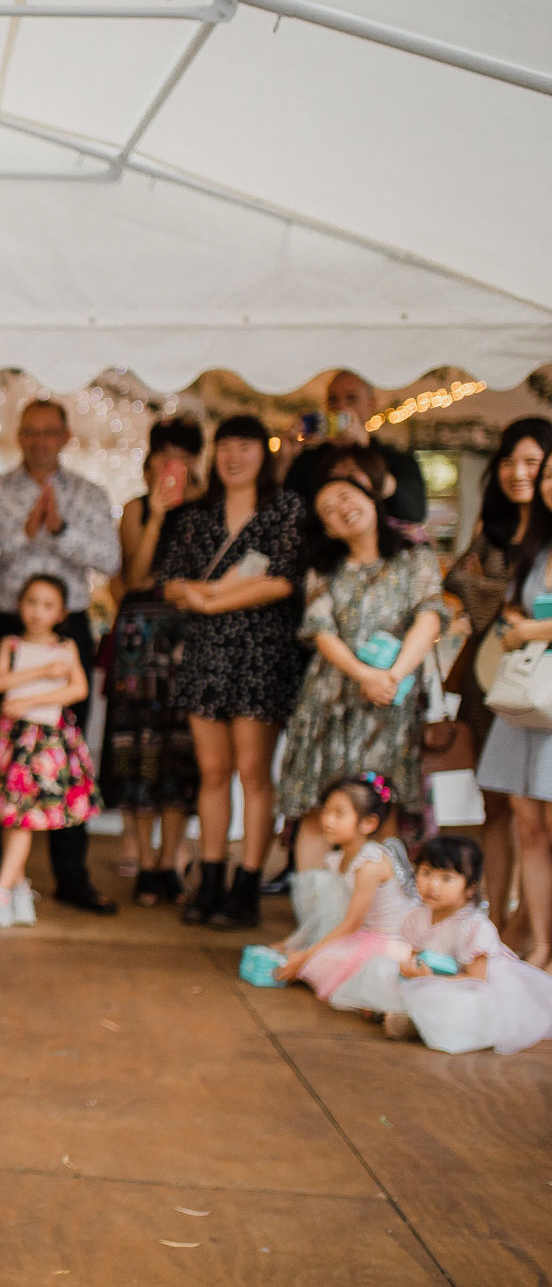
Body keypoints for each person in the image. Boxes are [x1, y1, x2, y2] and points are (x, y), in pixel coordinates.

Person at [156, 414, 308, 929]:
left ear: (262, 453)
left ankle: (247, 883)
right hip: (207, 655)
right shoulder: (198, 514)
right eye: (225, 446)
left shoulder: (285, 508)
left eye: (245, 445)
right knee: (213, 772)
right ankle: (212, 876)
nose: (234, 456)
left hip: (261, 654)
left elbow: (285, 581)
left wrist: (213, 597)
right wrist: (194, 595)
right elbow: (171, 582)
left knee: (252, 772)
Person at [0, 398, 121, 913]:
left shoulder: (88, 494)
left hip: (67, 627)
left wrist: (60, 530)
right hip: (6, 625)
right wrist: (25, 532)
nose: (39, 440)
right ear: (19, 434)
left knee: (64, 750)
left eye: (48, 432)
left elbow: (110, 558)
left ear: (64, 436)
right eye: (30, 431)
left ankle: (72, 875)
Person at [275, 477, 446, 888]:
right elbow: (320, 630)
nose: (340, 510)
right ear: (327, 528)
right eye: (328, 510)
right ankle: (318, 920)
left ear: (372, 498)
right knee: (322, 809)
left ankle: (373, 917)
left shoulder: (415, 559)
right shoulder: (325, 568)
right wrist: (364, 674)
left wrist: (394, 675)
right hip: (330, 702)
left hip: (391, 703)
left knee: (378, 810)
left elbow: (431, 614)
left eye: (345, 497)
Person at [446, 417, 552, 955]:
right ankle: (504, 919)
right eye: (511, 461)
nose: (520, 473)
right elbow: (459, 580)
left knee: (540, 815)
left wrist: (524, 621)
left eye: (533, 463)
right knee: (505, 809)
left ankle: (534, 928)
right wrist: (504, 608)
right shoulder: (502, 529)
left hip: (538, 680)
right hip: (499, 682)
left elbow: (482, 590)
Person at [0, 574, 102, 932]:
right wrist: (40, 673)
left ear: (61, 612)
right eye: (32, 603)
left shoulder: (67, 648)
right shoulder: (10, 644)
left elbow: (78, 690)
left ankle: (1, 892)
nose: (38, 612)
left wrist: (29, 699)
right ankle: (18, 889)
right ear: (20, 606)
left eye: (47, 605)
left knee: (23, 815)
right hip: (11, 738)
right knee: (12, 813)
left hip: (45, 744)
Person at [103, 420, 203, 905]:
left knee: (181, 752)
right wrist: (159, 516)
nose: (172, 471)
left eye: (182, 461)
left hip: (190, 639)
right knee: (138, 751)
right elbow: (137, 575)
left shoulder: (209, 511)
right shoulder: (135, 510)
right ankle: (145, 862)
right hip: (139, 641)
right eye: (164, 461)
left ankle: (170, 864)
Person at [338, 836, 552, 1053]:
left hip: (472, 984)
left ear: (470, 888)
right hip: (430, 979)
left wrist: (431, 978)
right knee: (379, 967)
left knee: (451, 1001)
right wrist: (410, 969)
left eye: (446, 878)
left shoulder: (475, 927)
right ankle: (399, 1013)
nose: (433, 885)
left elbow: (477, 980)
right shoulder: (416, 918)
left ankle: (414, 1024)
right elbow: (416, 957)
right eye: (426, 873)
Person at [275, 775, 418, 1003]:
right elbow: (331, 914)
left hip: (391, 943)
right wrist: (292, 945)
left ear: (368, 823)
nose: (327, 820)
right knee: (317, 958)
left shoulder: (370, 864)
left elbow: (351, 924)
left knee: (322, 962)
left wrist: (305, 957)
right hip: (363, 936)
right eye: (326, 811)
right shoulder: (340, 857)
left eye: (339, 814)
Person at [283, 369, 427, 526]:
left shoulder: (397, 457)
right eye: (332, 399)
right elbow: (286, 511)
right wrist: (285, 459)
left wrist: (364, 449)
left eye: (351, 399)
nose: (341, 407)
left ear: (371, 404)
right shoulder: (309, 460)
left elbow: (414, 511)